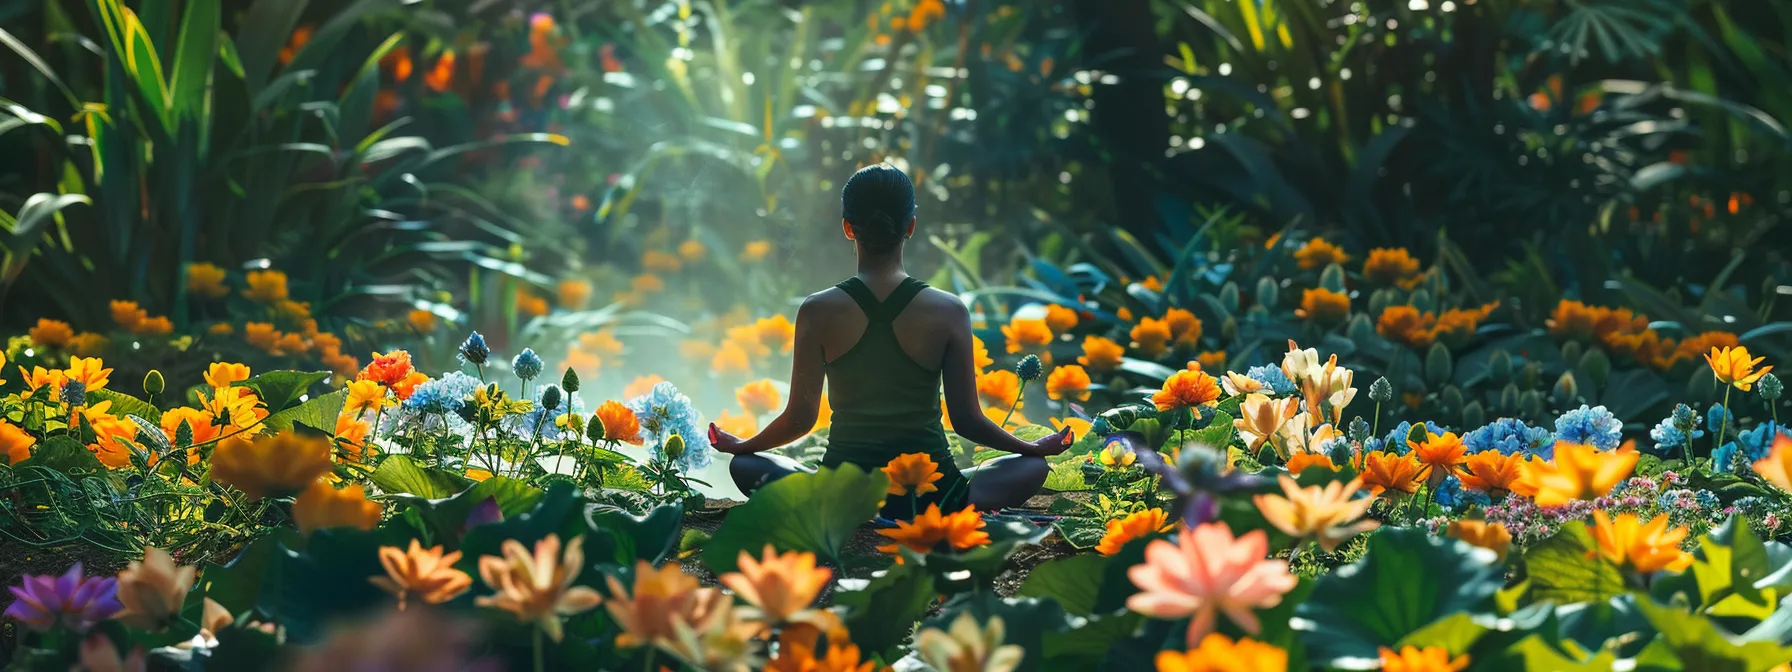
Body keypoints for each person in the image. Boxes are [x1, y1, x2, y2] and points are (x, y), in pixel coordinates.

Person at [710, 164, 1072, 518]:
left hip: (840, 492)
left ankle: (829, 504)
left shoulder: (817, 310)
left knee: (745, 466)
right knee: (1032, 468)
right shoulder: (948, 310)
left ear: (848, 229)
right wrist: (1030, 447)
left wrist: (742, 446)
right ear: (911, 226)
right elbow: (967, 421)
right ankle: (948, 505)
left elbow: (799, 420)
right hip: (932, 493)